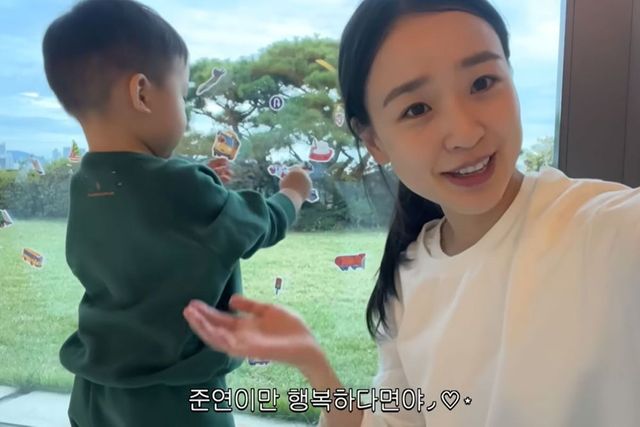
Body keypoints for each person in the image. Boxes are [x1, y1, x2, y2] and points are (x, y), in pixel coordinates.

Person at [182, 0, 640, 426]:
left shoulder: (609, 230)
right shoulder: (408, 277)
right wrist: (312, 363)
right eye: (417, 108)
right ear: (375, 141)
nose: (464, 133)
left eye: (482, 83)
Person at [42, 1, 311, 426]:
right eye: (182, 95)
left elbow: (145, 206)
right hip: (176, 402)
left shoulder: (87, 183)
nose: (185, 111)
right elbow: (258, 224)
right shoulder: (183, 188)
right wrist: (292, 194)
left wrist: (201, 178)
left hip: (94, 394)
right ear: (142, 94)